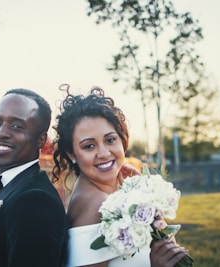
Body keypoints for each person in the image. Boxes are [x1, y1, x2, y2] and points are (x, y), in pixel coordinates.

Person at [52, 84, 188, 267]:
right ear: (71, 154)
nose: (104, 153)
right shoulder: (97, 204)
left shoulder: (106, 192)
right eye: (89, 146)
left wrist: (138, 191)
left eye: (110, 140)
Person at [0, 88, 67, 267]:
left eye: (16, 126)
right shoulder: (9, 189)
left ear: (40, 140)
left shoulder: (36, 201)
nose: (0, 133)